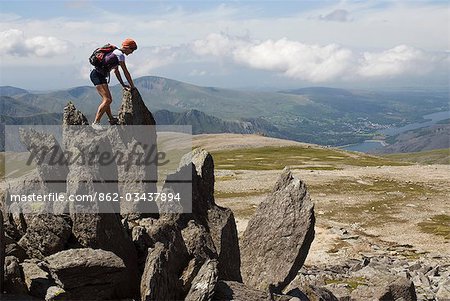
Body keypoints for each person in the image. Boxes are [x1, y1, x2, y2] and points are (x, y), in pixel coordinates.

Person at [90, 38, 138, 129]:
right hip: (97, 75)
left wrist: (123, 84)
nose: (132, 52)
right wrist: (132, 86)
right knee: (107, 100)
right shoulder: (120, 55)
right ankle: (96, 123)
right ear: (127, 47)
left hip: (99, 75)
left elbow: (117, 71)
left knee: (107, 99)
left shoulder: (116, 53)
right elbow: (125, 72)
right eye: (132, 49)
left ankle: (111, 119)